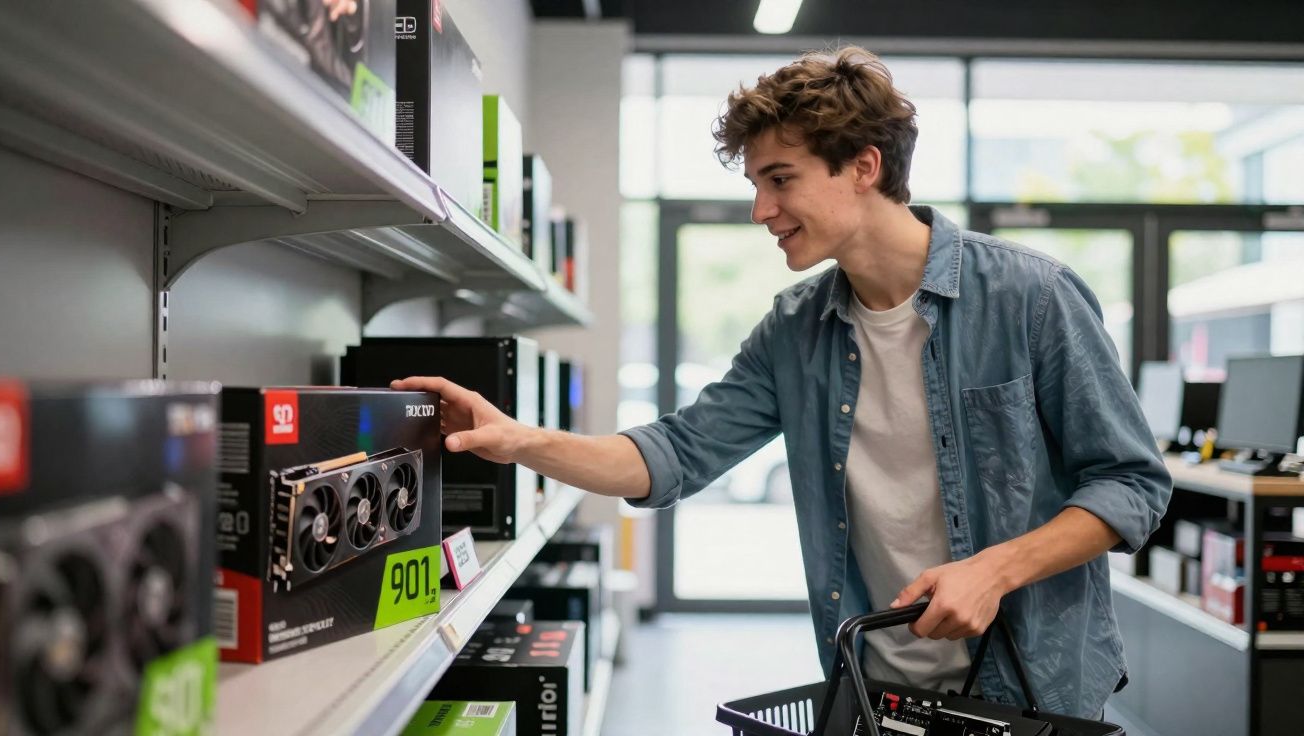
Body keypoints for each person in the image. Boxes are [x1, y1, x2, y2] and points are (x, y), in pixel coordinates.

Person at [393, 46, 1171, 719]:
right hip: (875, 691)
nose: (762, 209)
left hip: (1033, 688)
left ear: (864, 166)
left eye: (780, 178)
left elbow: (1132, 483)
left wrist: (994, 569)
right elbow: (675, 454)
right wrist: (517, 438)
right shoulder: (796, 329)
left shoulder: (1031, 298)